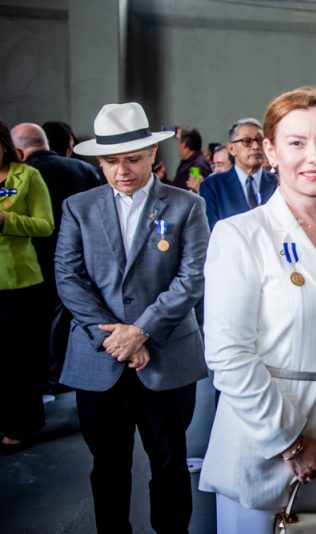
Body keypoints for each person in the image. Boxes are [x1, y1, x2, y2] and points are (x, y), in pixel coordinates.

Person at [199, 86, 316, 533]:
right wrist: (291, 442)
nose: (314, 156)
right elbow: (228, 355)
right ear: (270, 152)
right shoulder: (241, 235)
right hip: (267, 450)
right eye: (296, 143)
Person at [55, 102, 210, 533]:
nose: (122, 170)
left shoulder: (186, 206)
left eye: (132, 159)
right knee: (107, 467)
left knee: (170, 465)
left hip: (165, 357)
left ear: (152, 156)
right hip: (99, 359)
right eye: (110, 161)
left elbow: (192, 277)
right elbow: (69, 278)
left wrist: (141, 331)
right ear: (99, 162)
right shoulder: (78, 208)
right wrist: (114, 338)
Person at [10, 122, 100, 392]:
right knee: (79, 316)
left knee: (35, 328)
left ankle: (45, 381)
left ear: (18, 149)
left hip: (31, 263)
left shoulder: (22, 175)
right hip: (84, 259)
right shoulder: (83, 169)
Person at [0, 119, 54, 453]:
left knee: (16, 358)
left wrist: (7, 221)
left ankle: (21, 423)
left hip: (19, 280)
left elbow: (45, 225)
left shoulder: (28, 176)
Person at [199, 118, 277, 230]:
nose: (255, 146)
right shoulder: (213, 186)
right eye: (247, 141)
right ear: (231, 148)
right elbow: (213, 231)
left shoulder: (278, 182)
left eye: (259, 140)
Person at [173, 126, 212, 191]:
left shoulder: (196, 166)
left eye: (180, 142)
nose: (179, 146)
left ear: (185, 144)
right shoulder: (190, 161)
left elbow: (194, 190)